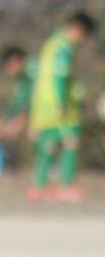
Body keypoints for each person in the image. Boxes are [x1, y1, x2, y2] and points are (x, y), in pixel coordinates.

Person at [27, 11, 97, 202]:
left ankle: (38, 186)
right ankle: (66, 186)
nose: (82, 41)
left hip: (42, 104)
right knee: (71, 141)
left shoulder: (51, 43)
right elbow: (60, 76)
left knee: (48, 145)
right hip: (60, 104)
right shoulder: (64, 47)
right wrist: (61, 101)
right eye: (84, 36)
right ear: (77, 29)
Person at [0, 46, 32, 179]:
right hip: (30, 114)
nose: (7, 71)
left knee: (35, 134)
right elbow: (17, 104)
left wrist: (21, 120)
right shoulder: (22, 78)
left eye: (7, 67)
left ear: (14, 60)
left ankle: (52, 169)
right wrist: (4, 122)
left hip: (45, 113)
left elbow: (34, 101)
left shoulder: (34, 72)